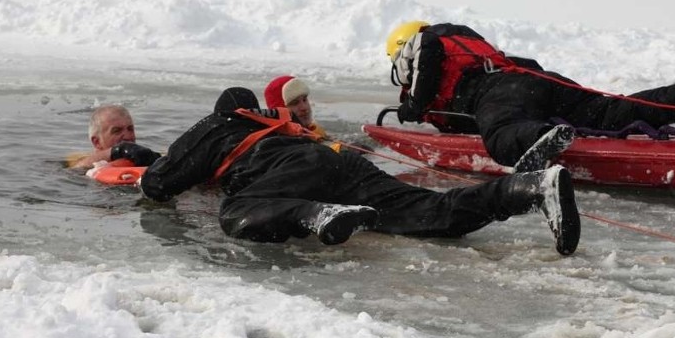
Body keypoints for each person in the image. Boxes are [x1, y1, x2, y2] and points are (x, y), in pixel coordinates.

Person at [139, 87, 581, 255]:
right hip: (339, 163)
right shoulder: (280, 121)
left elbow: (159, 184)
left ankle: (317, 215)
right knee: (435, 214)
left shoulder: (214, 125)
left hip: (291, 174)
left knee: (237, 214)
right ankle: (529, 187)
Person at [386, 21, 675, 171]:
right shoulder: (470, 43)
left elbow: (428, 58)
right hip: (534, 79)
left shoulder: (428, 42)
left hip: (499, 94)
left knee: (500, 138)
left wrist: (412, 107)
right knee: (609, 111)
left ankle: (541, 134)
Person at [67, 104, 161, 170]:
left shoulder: (143, 155)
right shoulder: (80, 159)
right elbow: (77, 168)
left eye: (130, 129)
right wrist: (118, 150)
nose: (128, 136)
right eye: (117, 131)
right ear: (97, 142)